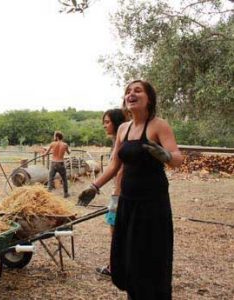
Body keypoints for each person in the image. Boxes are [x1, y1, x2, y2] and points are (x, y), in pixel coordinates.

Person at [78, 80, 183, 300]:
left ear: (149, 98)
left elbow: (178, 158)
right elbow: (115, 165)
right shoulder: (124, 129)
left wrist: (165, 156)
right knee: (128, 257)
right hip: (127, 201)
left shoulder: (158, 125)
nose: (131, 94)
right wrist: (93, 186)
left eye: (137, 90)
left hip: (152, 204)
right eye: (128, 91)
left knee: (149, 257)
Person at [96, 108, 127, 277]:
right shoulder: (118, 140)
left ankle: (114, 267)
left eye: (107, 122)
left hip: (121, 193)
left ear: (116, 122)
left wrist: (116, 192)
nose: (104, 125)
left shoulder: (121, 141)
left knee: (115, 233)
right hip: (120, 192)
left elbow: (120, 169)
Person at [45, 131, 71, 198]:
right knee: (64, 179)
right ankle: (66, 194)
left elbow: (46, 153)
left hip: (53, 163)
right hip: (61, 163)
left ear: (57, 137)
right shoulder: (65, 145)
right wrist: (69, 150)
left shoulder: (52, 144)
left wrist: (43, 153)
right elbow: (69, 153)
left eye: (54, 136)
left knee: (50, 178)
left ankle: (48, 192)